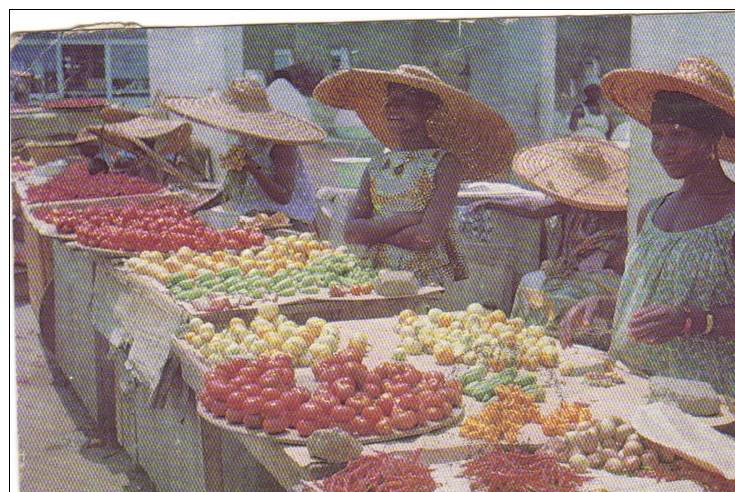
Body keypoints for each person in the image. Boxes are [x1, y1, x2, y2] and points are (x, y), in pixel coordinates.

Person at [560, 56, 735, 418]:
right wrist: (606, 305)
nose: (663, 147)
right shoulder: (652, 214)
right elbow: (652, 298)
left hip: (713, 406)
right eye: (657, 134)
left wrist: (692, 321)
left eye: (679, 134)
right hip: (639, 391)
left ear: (712, 138)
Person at [313, 64, 515, 286]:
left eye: (404, 100)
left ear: (428, 107)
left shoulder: (445, 164)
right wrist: (406, 219)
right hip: (376, 276)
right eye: (390, 100)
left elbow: (425, 237)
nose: (393, 107)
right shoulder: (379, 164)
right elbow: (351, 233)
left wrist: (373, 233)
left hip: (424, 281)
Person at [474, 136, 629, 348]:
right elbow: (536, 207)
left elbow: (618, 266)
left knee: (557, 297)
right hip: (571, 275)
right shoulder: (573, 200)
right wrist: (493, 202)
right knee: (531, 282)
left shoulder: (621, 212)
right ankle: (529, 342)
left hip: (604, 283)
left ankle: (568, 343)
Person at [162, 79, 326, 226]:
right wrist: (197, 207)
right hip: (254, 218)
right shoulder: (245, 140)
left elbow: (284, 196)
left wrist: (254, 168)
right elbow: (229, 190)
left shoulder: (281, 145)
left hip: (288, 220)